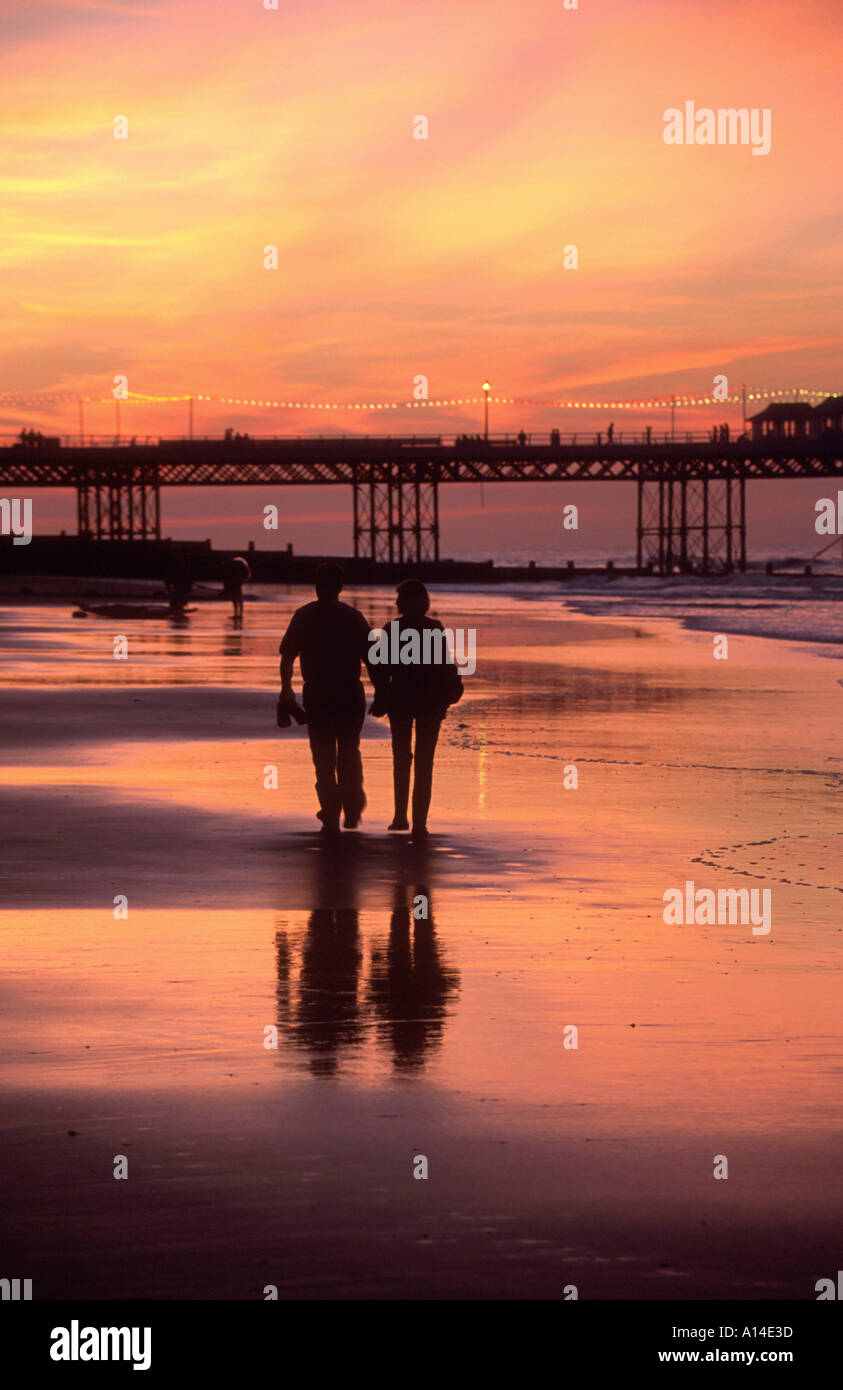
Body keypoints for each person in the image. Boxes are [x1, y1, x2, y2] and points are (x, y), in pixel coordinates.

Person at [279, 562, 376, 835]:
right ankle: (353, 804)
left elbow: (287, 657)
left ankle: (331, 809)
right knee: (349, 750)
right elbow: (373, 659)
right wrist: (383, 691)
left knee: (323, 756)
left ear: (317, 585)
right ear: (340, 587)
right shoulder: (353, 616)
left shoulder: (303, 615)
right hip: (348, 693)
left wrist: (286, 689)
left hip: (318, 693)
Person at [369, 579, 463, 838]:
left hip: (401, 700)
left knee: (402, 759)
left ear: (409, 601)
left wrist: (381, 696)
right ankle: (419, 822)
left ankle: (401, 817)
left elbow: (381, 668)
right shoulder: (434, 628)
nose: (396, 603)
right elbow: (444, 666)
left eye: (400, 599)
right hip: (430, 702)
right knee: (424, 761)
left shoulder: (392, 629)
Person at [221, 555, 250, 622]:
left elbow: (228, 577)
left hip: (235, 584)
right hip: (235, 584)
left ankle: (239, 615)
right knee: (236, 599)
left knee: (237, 599)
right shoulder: (234, 565)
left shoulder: (234, 565)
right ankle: (238, 614)